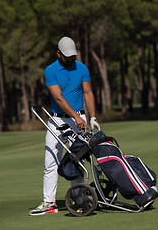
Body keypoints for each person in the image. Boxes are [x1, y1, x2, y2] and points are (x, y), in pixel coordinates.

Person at [29, 36, 100, 216]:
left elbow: (88, 92)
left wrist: (92, 117)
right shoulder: (50, 70)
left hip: (81, 120)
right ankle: (49, 203)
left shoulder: (82, 68)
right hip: (57, 120)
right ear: (58, 54)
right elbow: (58, 98)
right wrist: (76, 116)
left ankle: (78, 200)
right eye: (66, 56)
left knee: (78, 160)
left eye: (72, 56)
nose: (70, 60)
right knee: (50, 161)